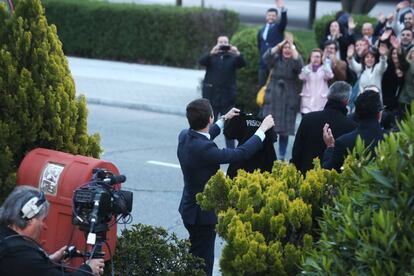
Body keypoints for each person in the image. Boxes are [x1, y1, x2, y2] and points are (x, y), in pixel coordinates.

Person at [177, 98, 274, 276]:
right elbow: (240, 153)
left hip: (189, 208)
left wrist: (224, 120)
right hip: (202, 216)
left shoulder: (184, 136)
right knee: (203, 262)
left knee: (195, 255)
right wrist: (261, 131)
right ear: (209, 118)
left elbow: (205, 135)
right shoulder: (205, 150)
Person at [0, 185, 105, 276]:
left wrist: (50, 260)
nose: (45, 226)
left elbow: (30, 269)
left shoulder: (6, 238)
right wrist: (88, 269)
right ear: (30, 218)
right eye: (43, 220)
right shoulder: (22, 254)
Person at [291, 81, 357, 175]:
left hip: (306, 178)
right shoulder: (352, 127)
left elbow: (296, 153)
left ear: (327, 96)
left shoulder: (308, 119)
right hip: (334, 183)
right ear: (347, 101)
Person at [199, 35, 246, 148]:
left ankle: (231, 151)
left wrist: (237, 52)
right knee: (209, 125)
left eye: (225, 42)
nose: (223, 44)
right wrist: (211, 52)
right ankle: (205, 146)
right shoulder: (211, 56)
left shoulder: (233, 57)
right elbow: (201, 61)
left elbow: (242, 63)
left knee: (229, 126)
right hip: (212, 97)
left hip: (227, 98)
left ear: (229, 44)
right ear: (216, 43)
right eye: (221, 42)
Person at [262, 35, 303, 160]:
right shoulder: (275, 59)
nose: (287, 50)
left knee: (285, 130)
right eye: (285, 48)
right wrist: (280, 44)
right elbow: (266, 57)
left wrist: (292, 45)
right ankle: (267, 154)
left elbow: (300, 64)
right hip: (273, 95)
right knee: (268, 127)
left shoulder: (294, 61)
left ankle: (281, 156)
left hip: (288, 95)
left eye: (289, 47)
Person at [322, 90, 384, 171]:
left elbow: (327, 170)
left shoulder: (343, 142)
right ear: (378, 114)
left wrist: (330, 147)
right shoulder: (391, 139)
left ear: (357, 114)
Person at [257, 0, 287, 86]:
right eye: (269, 15)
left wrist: (283, 9)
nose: (271, 17)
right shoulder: (261, 30)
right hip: (263, 63)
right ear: (266, 16)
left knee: (273, 87)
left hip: (275, 63)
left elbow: (284, 21)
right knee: (261, 86)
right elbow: (260, 45)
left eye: (273, 16)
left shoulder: (279, 28)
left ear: (276, 17)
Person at [299, 48, 334, 114]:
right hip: (307, 105)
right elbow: (302, 77)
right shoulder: (306, 68)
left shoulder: (324, 68)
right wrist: (309, 67)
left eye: (318, 57)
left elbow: (330, 75)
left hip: (321, 104)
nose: (315, 59)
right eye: (313, 57)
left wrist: (325, 63)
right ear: (310, 58)